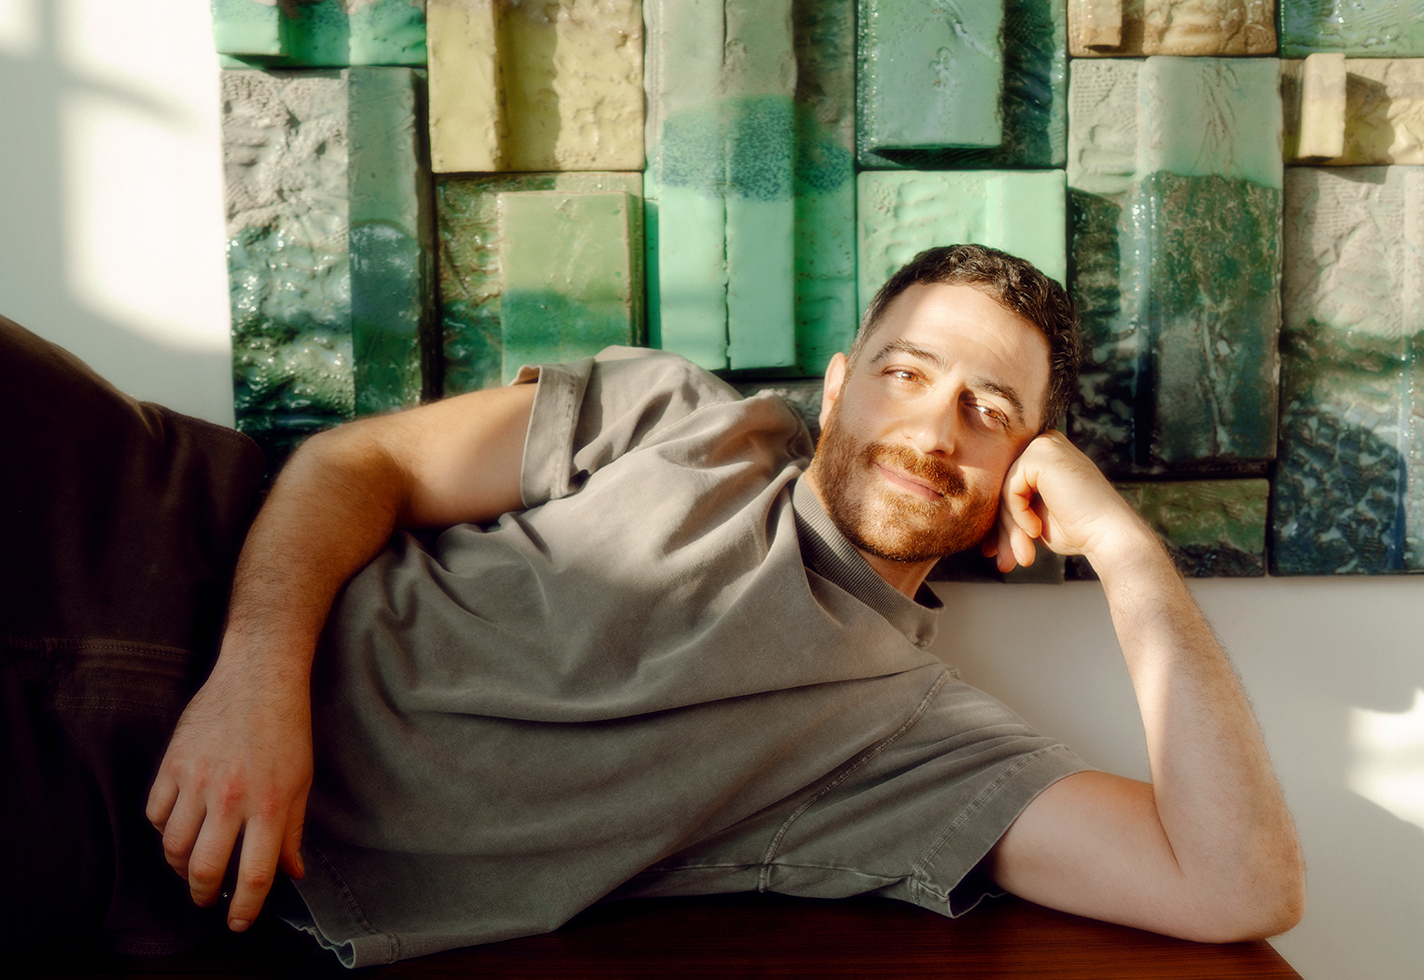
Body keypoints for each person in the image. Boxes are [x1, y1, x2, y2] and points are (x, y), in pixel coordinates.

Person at [1, 245, 1304, 967]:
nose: (932, 424)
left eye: (991, 409)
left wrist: (1124, 546)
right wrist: (255, 680)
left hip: (156, 847)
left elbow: (1231, 885)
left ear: (1017, 478)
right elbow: (362, 461)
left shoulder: (912, 746)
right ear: (844, 384)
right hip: (152, 520)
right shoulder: (684, 417)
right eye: (908, 372)